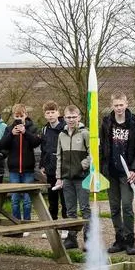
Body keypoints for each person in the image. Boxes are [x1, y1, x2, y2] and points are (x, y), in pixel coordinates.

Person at [100, 92, 135, 255]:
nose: (119, 108)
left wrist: (134, 169)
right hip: (111, 172)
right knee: (114, 208)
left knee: (126, 206)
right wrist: (101, 168)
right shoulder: (106, 122)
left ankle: (130, 240)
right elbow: (102, 146)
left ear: (126, 104)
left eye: (121, 105)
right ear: (112, 106)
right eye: (116, 105)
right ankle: (119, 239)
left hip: (127, 174)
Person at [0, 103, 42, 235]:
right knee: (15, 199)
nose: (19, 118)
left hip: (28, 168)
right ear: (13, 116)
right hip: (13, 169)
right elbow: (2, 145)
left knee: (28, 200)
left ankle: (27, 224)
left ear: (26, 115)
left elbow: (36, 142)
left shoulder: (32, 128)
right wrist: (11, 134)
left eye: (21, 116)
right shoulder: (8, 129)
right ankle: (16, 224)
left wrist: (26, 132)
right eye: (16, 116)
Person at [54, 105, 91, 251]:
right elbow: (59, 156)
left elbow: (92, 153)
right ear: (64, 118)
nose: (71, 120)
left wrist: (83, 165)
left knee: (85, 208)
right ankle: (71, 238)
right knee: (70, 209)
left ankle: (88, 239)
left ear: (79, 117)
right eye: (68, 117)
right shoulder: (61, 135)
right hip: (67, 178)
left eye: (73, 117)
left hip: (81, 177)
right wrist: (59, 176)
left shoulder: (85, 133)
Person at [39, 101, 68, 232]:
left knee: (65, 199)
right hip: (50, 168)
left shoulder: (65, 127)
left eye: (52, 112)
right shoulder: (44, 129)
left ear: (58, 113)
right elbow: (44, 149)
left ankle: (66, 227)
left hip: (64, 168)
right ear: (45, 115)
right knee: (52, 198)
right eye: (48, 113)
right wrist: (42, 165)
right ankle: (53, 227)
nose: (50, 115)